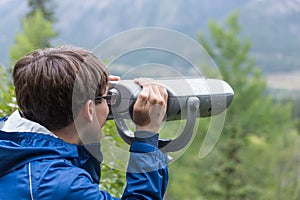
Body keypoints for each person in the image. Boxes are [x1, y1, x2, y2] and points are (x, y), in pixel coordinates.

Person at [0, 46, 169, 199]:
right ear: (89, 109)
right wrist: (147, 134)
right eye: (105, 97)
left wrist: (90, 96)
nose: (109, 103)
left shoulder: (11, 143)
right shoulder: (56, 184)